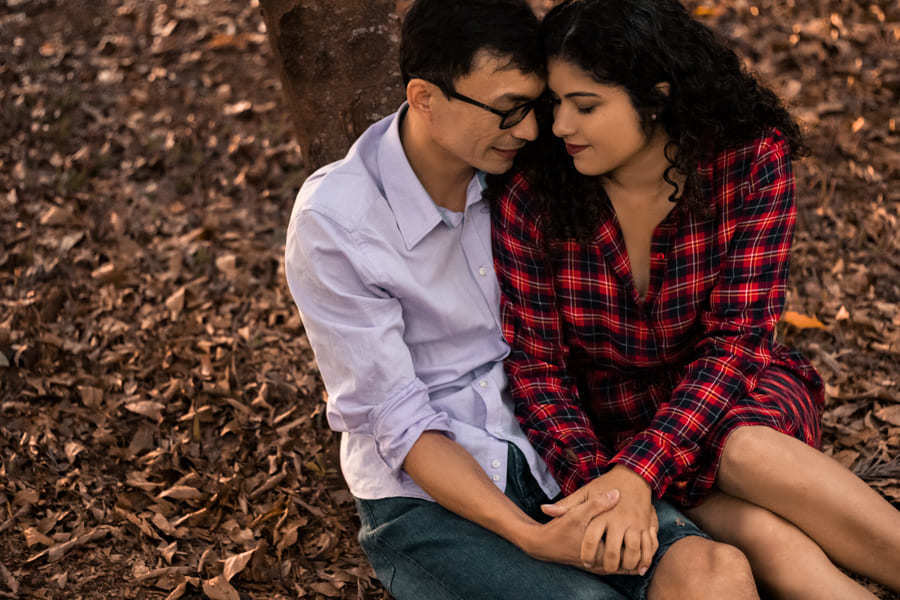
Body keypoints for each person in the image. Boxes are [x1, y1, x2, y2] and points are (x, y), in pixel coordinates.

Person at [285, 0, 759, 598]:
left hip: (554, 452)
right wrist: (529, 536)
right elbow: (397, 422)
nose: (534, 131)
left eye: (534, 107)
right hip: (426, 502)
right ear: (425, 98)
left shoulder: (529, 172)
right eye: (508, 111)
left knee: (716, 572)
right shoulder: (337, 221)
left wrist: (618, 478)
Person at [490, 1, 900, 598]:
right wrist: (610, 486)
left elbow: (739, 339)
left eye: (585, 106)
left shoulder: (747, 160)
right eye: (554, 105)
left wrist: (639, 473)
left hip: (737, 392)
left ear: (654, 96)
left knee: (746, 449)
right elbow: (537, 370)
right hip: (612, 425)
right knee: (768, 539)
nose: (559, 128)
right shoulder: (533, 193)